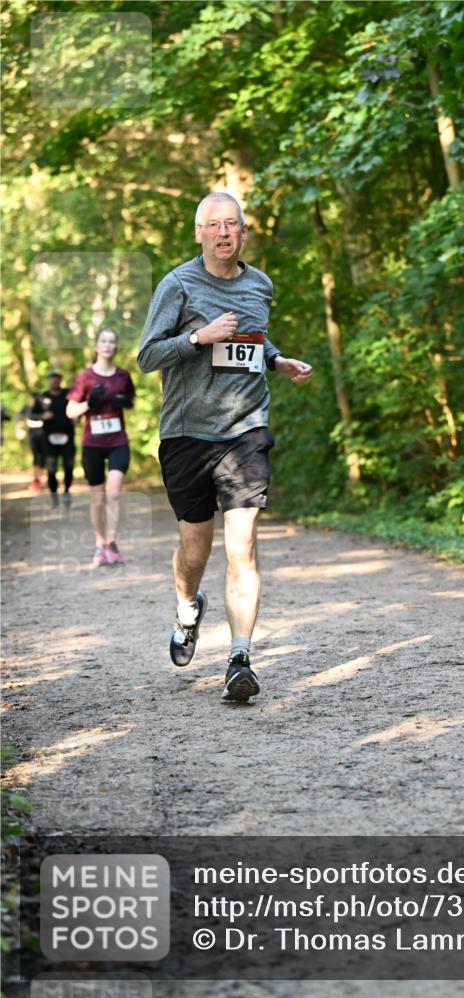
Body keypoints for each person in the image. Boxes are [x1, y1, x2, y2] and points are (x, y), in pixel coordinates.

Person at [138, 191, 312, 702]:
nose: (223, 232)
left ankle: (239, 659)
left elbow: (256, 341)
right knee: (195, 550)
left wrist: (278, 362)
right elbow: (148, 355)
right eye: (213, 224)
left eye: (231, 224)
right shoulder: (177, 284)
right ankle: (188, 606)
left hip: (245, 431)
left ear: (243, 232)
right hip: (187, 434)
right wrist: (198, 338)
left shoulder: (260, 283)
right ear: (199, 233)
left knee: (244, 547)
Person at [66, 328, 135, 566]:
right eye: (103, 341)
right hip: (92, 444)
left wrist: (126, 402)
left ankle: (112, 543)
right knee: (97, 499)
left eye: (112, 341)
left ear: (115, 347)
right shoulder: (85, 377)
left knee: (113, 492)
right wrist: (89, 403)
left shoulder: (123, 376)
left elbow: (130, 400)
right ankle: (99, 543)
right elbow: (70, 411)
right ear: (96, 346)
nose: (107, 345)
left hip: (118, 441)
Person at [35, 370, 76, 509]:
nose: (55, 380)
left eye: (57, 378)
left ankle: (66, 491)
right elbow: (31, 415)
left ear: (60, 380)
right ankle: (54, 495)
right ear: (48, 380)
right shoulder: (42, 397)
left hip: (67, 436)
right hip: (49, 439)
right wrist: (42, 416)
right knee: (51, 469)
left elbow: (79, 408)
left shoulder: (68, 394)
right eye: (52, 378)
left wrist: (77, 418)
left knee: (69, 466)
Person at [19, 393, 47, 489]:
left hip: (43, 436)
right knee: (36, 456)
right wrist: (19, 429)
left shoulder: (43, 408)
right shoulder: (26, 408)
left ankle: (39, 479)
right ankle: (35, 480)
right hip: (33, 436)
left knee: (43, 458)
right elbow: (18, 417)